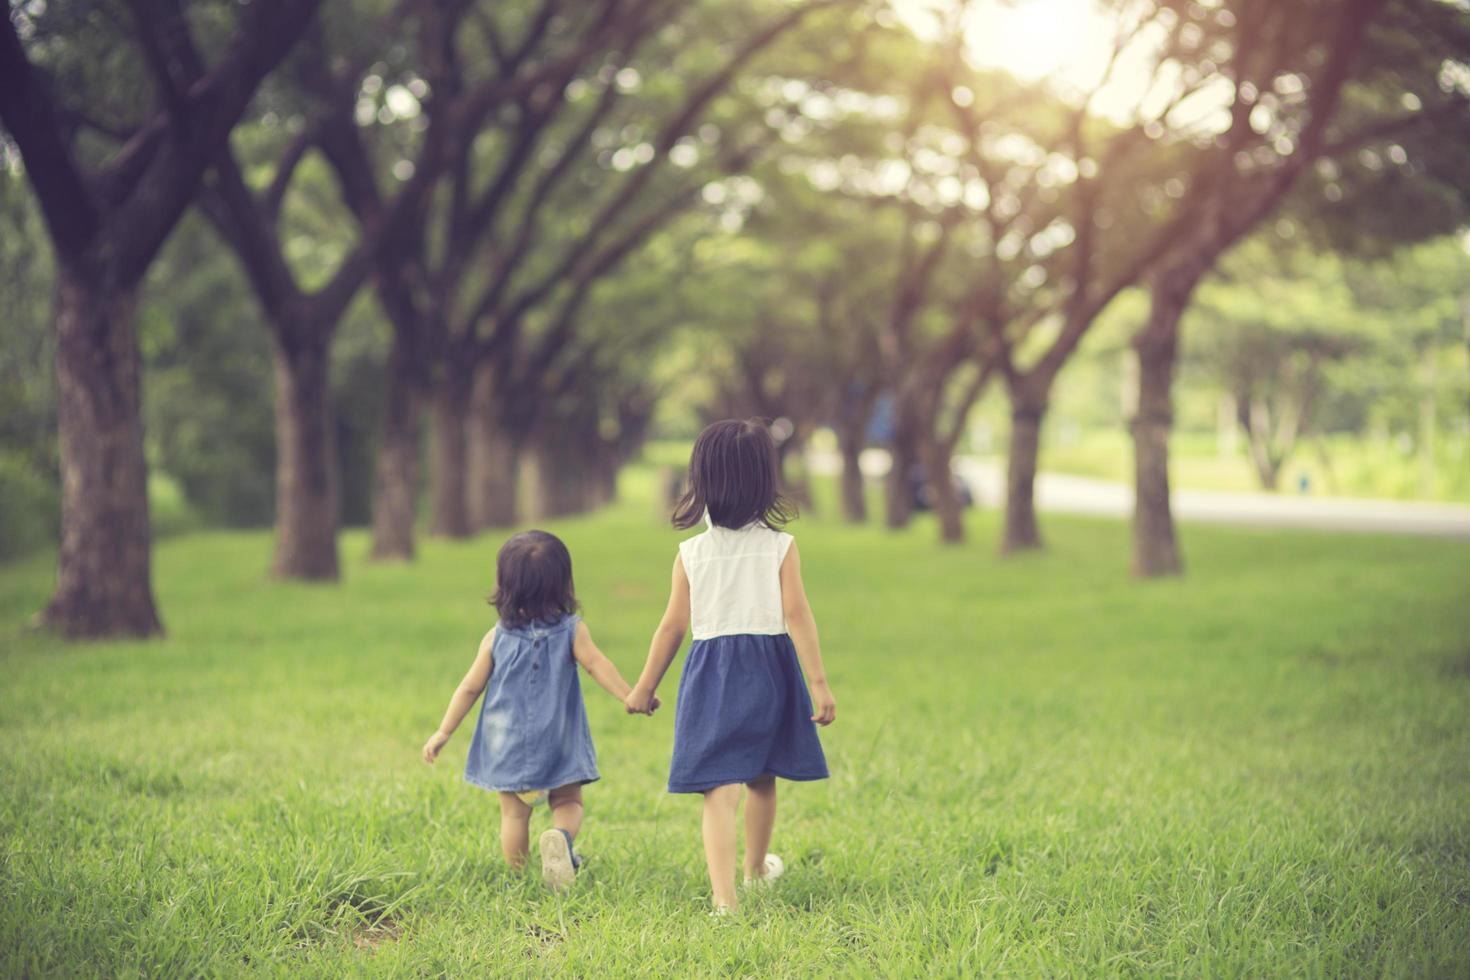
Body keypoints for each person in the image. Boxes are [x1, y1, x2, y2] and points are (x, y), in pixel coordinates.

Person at [626, 419, 836, 914]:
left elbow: (671, 627)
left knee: (719, 789)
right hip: (770, 671)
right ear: (765, 480)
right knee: (763, 776)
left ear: (702, 482)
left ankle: (726, 899)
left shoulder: (691, 554)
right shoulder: (780, 547)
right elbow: (797, 614)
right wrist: (819, 684)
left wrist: (643, 687)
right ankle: (756, 869)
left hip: (712, 676)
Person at [421, 530, 653, 891]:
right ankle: (559, 837)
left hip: (506, 744)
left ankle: (518, 876)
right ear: (563, 584)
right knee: (569, 801)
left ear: (505, 587)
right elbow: (597, 665)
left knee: (514, 814)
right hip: (557, 740)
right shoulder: (572, 631)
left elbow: (469, 687)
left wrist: (443, 732)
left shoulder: (496, 636)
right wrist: (630, 694)